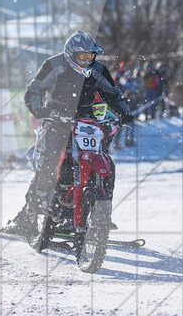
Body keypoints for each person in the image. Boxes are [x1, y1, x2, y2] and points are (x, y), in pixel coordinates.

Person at [7, 32, 133, 232]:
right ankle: (35, 203)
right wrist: (39, 109)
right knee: (52, 155)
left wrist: (124, 111)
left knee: (105, 161)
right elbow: (34, 89)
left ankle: (101, 213)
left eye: (91, 57)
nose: (87, 62)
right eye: (83, 57)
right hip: (57, 118)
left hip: (87, 121)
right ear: (71, 54)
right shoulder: (54, 65)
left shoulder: (98, 70)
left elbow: (112, 93)